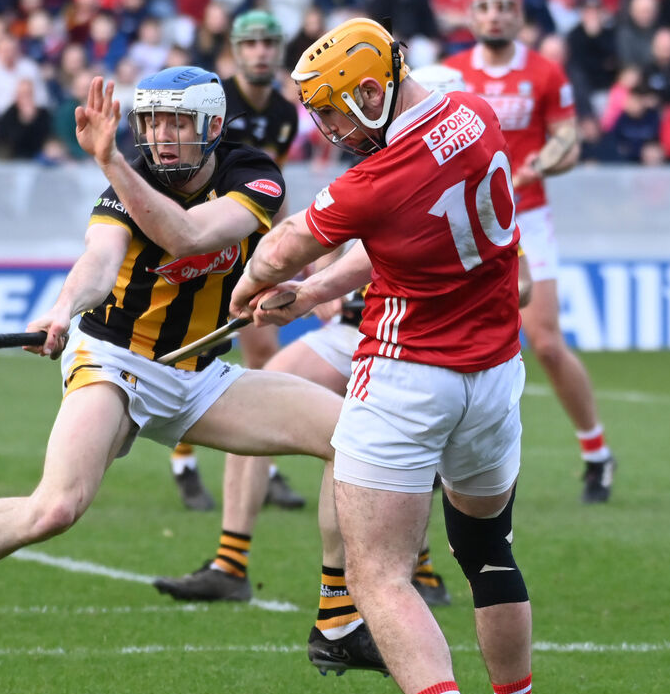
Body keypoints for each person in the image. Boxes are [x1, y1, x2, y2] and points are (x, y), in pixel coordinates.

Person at [0, 66, 383, 681]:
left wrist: (288, 284)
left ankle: (337, 622)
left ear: (212, 125)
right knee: (54, 508)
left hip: (197, 374)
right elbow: (99, 261)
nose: (162, 137)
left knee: (351, 440)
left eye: (177, 123)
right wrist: (64, 307)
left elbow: (193, 235)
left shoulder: (252, 175)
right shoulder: (125, 180)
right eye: (153, 123)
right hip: (114, 361)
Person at [229, 16, 543, 694]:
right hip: (494, 374)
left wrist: (247, 286)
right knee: (488, 552)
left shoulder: (378, 173)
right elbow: (398, 231)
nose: (330, 130)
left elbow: (285, 241)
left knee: (375, 572)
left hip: (408, 376)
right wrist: (316, 290)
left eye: (334, 112)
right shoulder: (474, 112)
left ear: (373, 91)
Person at [154, 64, 534, 610]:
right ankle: (232, 562)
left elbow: (516, 280)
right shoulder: (451, 139)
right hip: (378, 333)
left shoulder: (421, 163)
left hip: (411, 345)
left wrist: (271, 282)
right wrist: (318, 289)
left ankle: (401, 575)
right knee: (271, 387)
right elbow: (359, 243)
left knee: (388, 454)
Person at [444, 0, 617, 504]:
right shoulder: (451, 73)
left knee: (545, 341)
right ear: (471, 16)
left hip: (529, 219)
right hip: (467, 222)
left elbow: (569, 142)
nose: (494, 16)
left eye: (504, 7)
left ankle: (596, 452)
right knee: (451, 342)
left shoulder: (545, 72)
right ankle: (442, 461)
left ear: (520, 16)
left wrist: (545, 163)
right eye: (484, 7)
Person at [165, 10, 305, 513]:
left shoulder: (286, 113)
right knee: (190, 354)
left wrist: (293, 246)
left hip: (252, 246)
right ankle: (185, 466)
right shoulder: (214, 103)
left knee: (263, 353)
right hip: (204, 243)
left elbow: (274, 186)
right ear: (234, 50)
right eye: (251, 44)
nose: (261, 52)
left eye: (269, 42)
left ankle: (263, 467)